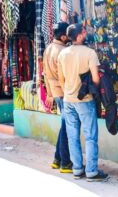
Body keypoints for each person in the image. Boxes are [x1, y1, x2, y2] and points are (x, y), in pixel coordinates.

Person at [58, 24, 108, 182]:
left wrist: (69, 89)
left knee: (72, 136)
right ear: (79, 36)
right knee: (90, 136)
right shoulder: (89, 53)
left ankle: (77, 169)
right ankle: (92, 171)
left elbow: (61, 79)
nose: (86, 33)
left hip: (68, 99)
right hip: (85, 100)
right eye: (84, 32)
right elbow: (95, 78)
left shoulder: (63, 53)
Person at [43, 22, 72, 173]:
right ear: (63, 36)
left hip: (56, 92)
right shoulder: (63, 51)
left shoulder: (48, 49)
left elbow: (46, 74)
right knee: (67, 127)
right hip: (64, 92)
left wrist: (49, 93)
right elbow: (64, 76)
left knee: (65, 125)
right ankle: (65, 163)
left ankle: (57, 159)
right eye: (68, 34)